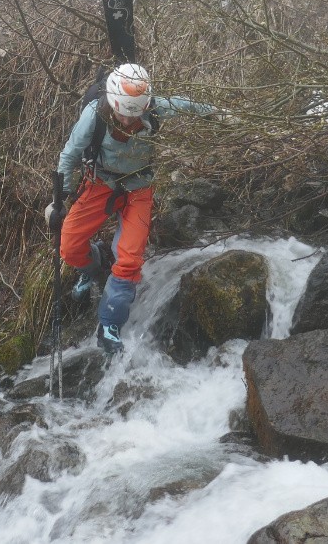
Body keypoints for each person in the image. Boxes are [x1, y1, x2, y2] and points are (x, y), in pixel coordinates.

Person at [51, 63, 216, 355]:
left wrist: (218, 114)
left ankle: (109, 324)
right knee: (70, 246)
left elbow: (186, 105)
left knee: (129, 258)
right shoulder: (94, 114)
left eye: (134, 114)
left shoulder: (154, 108)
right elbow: (70, 154)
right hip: (100, 182)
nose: (128, 120)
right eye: (123, 113)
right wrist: (58, 198)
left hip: (139, 187)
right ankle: (95, 266)